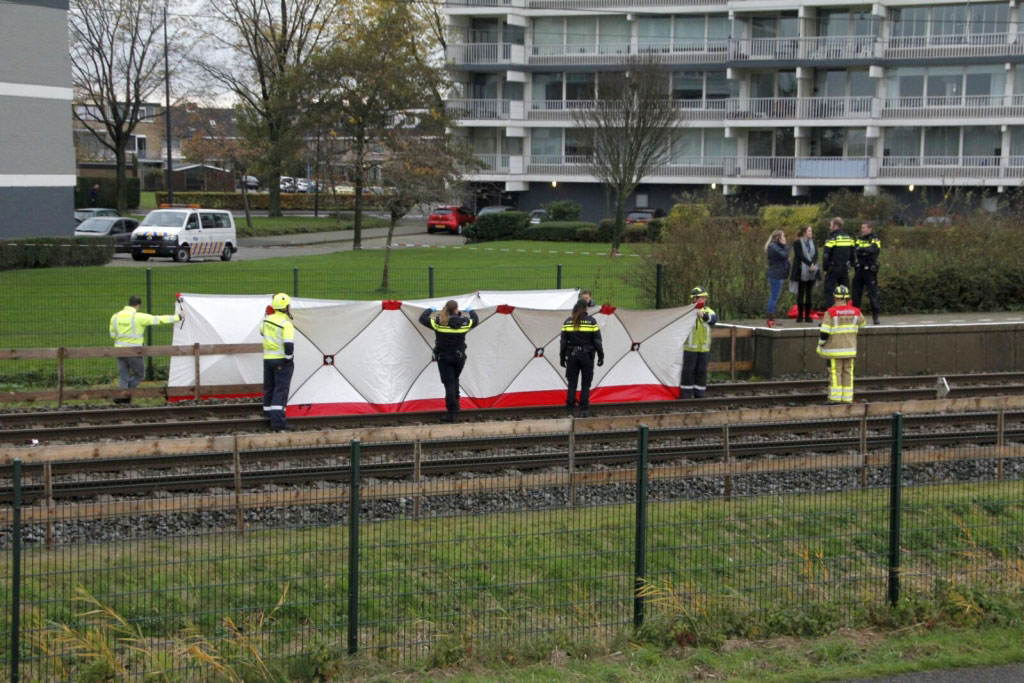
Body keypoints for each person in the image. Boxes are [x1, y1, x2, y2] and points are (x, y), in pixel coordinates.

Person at [109, 295, 182, 404]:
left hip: (119, 351)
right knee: (140, 375)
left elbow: (112, 335)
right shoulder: (139, 317)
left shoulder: (115, 316)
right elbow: (158, 319)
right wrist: (178, 317)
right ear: (138, 305)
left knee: (124, 377)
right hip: (134, 352)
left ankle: (122, 398)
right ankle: (125, 394)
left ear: (128, 303)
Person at [419, 300, 480, 423]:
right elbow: (475, 320)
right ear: (457, 309)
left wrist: (431, 309)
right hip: (459, 357)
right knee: (455, 379)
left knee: (449, 384)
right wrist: (471, 311)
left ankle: (452, 413)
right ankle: (456, 406)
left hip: (445, 357)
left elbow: (422, 318)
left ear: (446, 308)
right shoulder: (464, 323)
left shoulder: (440, 322)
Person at [816, 284, 866, 404]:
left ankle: (835, 398)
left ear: (836, 298)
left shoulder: (831, 312)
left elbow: (824, 333)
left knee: (835, 373)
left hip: (835, 350)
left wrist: (821, 344)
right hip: (850, 349)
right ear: (846, 298)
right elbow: (863, 324)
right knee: (848, 372)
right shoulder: (856, 311)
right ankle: (847, 398)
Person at [559, 299, 604, 417]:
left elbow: (563, 342)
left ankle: (570, 411)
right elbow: (597, 341)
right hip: (587, 356)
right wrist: (601, 356)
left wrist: (562, 357)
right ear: (586, 308)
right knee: (585, 384)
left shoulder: (568, 322)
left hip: (572, 356)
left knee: (572, 384)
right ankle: (583, 411)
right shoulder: (591, 322)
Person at [261, 292, 296, 432]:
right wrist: (289, 359)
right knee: (280, 390)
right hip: (281, 360)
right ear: (285, 307)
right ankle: (278, 422)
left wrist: (267, 316)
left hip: (267, 359)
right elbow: (288, 345)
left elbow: (262, 332)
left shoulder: (267, 320)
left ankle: (267, 413)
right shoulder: (286, 324)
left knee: (269, 387)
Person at [680, 286, 718, 399]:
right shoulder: (687, 310)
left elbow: (714, 320)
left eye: (704, 298)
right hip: (690, 348)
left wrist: (703, 315)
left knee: (701, 371)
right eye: (701, 298)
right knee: (688, 371)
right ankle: (686, 394)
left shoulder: (709, 311)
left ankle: (699, 393)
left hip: (704, 348)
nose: (703, 300)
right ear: (694, 299)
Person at [821, 216, 855, 309]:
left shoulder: (832, 238)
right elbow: (853, 255)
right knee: (844, 292)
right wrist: (850, 266)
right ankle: (844, 313)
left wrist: (825, 268)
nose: (829, 227)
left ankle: (830, 315)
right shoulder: (849, 238)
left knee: (829, 292)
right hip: (844, 269)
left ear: (836, 226)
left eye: (830, 225)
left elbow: (826, 255)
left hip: (833, 269)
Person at [852, 221, 882, 325]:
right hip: (859, 270)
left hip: (869, 270)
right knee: (856, 295)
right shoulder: (859, 239)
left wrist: (862, 250)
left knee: (872, 295)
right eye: (862, 227)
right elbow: (855, 250)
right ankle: (856, 318)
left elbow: (872, 250)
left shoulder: (875, 239)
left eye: (864, 227)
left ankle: (876, 317)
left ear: (870, 229)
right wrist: (863, 251)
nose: (862, 229)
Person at [790, 224, 820, 323]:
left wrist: (813, 264)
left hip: (812, 270)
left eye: (811, 231)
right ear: (804, 233)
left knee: (809, 293)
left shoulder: (814, 242)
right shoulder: (797, 243)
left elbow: (816, 254)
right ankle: (799, 315)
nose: (811, 233)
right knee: (801, 293)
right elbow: (799, 255)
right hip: (801, 270)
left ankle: (807, 316)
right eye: (809, 231)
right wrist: (809, 263)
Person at [764, 229, 790, 327]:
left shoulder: (776, 247)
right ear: (779, 238)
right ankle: (771, 316)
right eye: (783, 236)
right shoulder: (774, 247)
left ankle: (772, 315)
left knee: (775, 296)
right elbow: (784, 255)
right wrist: (785, 246)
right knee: (774, 296)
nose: (785, 238)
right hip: (776, 275)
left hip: (779, 274)